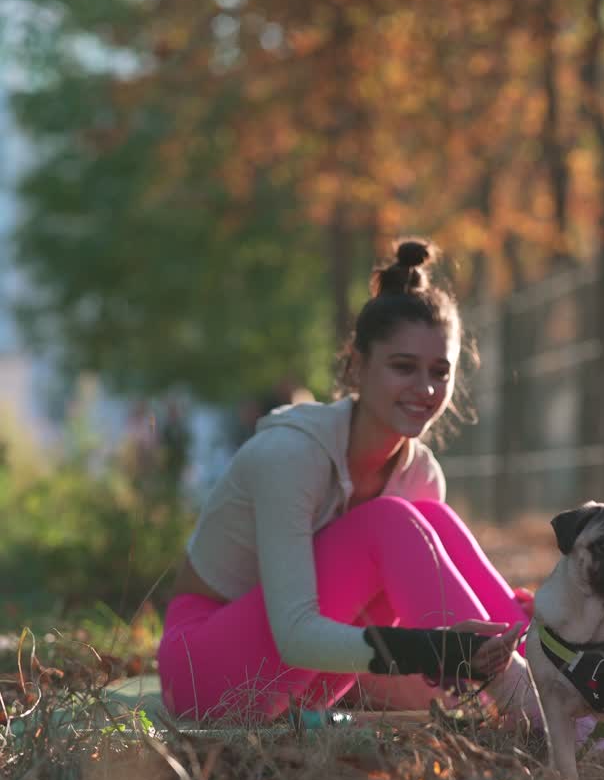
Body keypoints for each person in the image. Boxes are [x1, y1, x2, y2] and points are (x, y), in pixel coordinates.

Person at [157, 240, 530, 722]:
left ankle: (555, 670)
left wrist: (508, 631)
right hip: (202, 672)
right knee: (392, 522)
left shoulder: (419, 474)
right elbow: (295, 636)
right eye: (403, 367)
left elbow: (382, 642)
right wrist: (441, 652)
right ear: (357, 365)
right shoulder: (291, 455)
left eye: (441, 372)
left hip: (313, 683)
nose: (426, 389)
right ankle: (546, 713)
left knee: (429, 517)